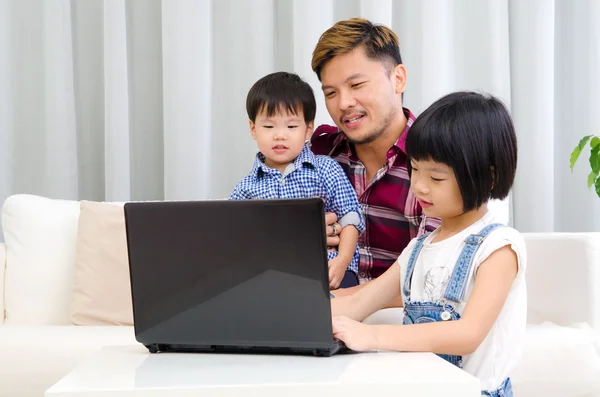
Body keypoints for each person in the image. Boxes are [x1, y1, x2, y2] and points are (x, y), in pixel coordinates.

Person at [330, 91, 525, 397]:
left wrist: (372, 335)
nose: (419, 185)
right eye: (415, 170)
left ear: (488, 177)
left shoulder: (498, 247)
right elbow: (359, 303)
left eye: (436, 177)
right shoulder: (418, 249)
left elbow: (467, 334)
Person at [310, 18, 440, 288]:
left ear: (398, 79)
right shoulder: (318, 157)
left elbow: (438, 275)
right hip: (322, 315)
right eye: (331, 92)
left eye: (357, 85)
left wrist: (348, 303)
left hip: (405, 321)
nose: (344, 103)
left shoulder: (439, 159)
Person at [229, 71, 365, 289]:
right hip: (273, 275)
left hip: (329, 270)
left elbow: (351, 218)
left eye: (291, 127)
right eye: (269, 126)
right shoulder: (246, 188)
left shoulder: (325, 169)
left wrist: (342, 262)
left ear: (308, 129)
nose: (280, 135)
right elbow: (235, 237)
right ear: (253, 129)